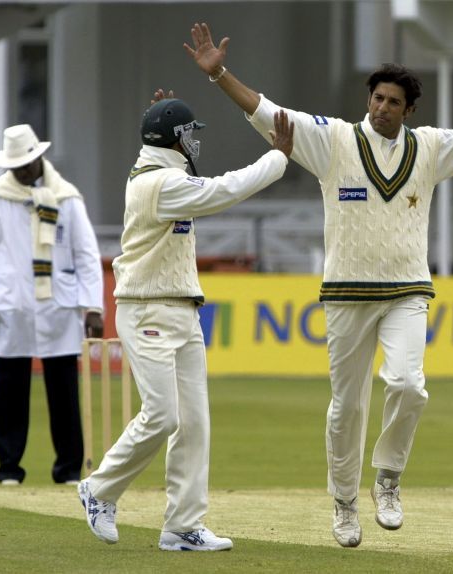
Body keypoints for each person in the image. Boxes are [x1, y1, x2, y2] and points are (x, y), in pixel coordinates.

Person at [184, 22, 453, 547]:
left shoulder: (431, 148)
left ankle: (387, 479)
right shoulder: (332, 139)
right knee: (348, 407)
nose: (382, 107)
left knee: (409, 385)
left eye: (393, 102)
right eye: (377, 98)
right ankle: (344, 501)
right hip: (345, 293)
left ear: (410, 110)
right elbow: (267, 111)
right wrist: (220, 75)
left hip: (407, 289)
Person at [76, 91, 294, 551]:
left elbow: (195, 180)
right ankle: (98, 489)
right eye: (188, 135)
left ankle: (182, 526)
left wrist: (163, 115)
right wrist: (277, 159)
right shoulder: (158, 184)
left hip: (182, 307)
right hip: (147, 306)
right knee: (163, 415)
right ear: (174, 138)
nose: (194, 143)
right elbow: (222, 191)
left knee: (194, 422)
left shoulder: (164, 171)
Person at [0, 124, 104, 486]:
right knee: (8, 392)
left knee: (64, 393)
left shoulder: (66, 197)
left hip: (59, 305)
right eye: (15, 166)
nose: (21, 172)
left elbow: (86, 255)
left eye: (26, 163)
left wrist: (94, 307)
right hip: (10, 308)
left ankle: (69, 469)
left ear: (39, 158)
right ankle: (9, 469)